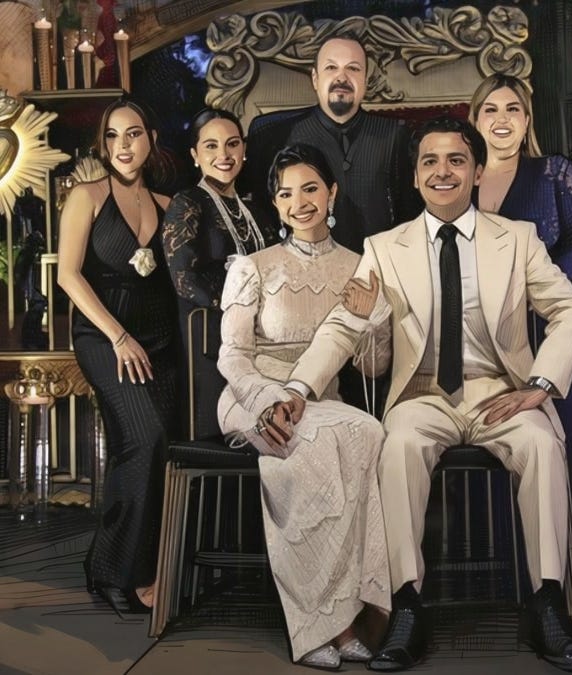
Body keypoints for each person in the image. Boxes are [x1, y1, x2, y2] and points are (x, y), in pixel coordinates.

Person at [285, 117, 572, 672]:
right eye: (429, 161)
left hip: (500, 392)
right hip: (422, 395)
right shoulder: (384, 248)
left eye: (456, 160)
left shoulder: (517, 238)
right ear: (415, 176)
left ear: (476, 172)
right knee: (397, 445)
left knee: (542, 444)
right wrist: (298, 389)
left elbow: (571, 310)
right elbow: (343, 326)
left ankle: (547, 603)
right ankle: (406, 606)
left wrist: (540, 385)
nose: (442, 171)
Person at [216, 143, 391, 670]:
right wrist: (268, 398)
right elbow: (231, 356)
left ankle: (351, 611)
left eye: (310, 188)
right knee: (312, 444)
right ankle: (321, 624)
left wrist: (372, 321)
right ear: (275, 203)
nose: (300, 203)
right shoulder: (253, 267)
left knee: (368, 432)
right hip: (252, 397)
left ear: (332, 192)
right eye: (286, 193)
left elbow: (373, 368)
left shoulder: (359, 267)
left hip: (323, 403)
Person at [468, 73, 572, 597]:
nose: (501, 120)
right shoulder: (459, 178)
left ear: (527, 120)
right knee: (493, 453)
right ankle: (506, 582)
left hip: (544, 334)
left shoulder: (552, 172)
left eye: (513, 109)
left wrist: (531, 293)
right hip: (479, 344)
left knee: (559, 454)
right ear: (474, 120)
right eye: (490, 110)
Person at [57, 96, 179, 615]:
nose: (122, 145)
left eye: (132, 134)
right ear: (102, 145)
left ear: (151, 139)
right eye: (112, 136)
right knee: (143, 438)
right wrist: (118, 336)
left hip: (162, 343)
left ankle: (127, 567)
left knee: (159, 445)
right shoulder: (85, 197)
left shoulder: (170, 206)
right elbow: (68, 275)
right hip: (104, 337)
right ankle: (119, 572)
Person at [245, 32, 420, 254]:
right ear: (315, 79)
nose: (341, 77)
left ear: (365, 80)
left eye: (353, 68)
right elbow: (260, 215)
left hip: (378, 266)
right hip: (300, 267)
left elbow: (410, 217)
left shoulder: (396, 134)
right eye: (331, 67)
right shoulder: (273, 133)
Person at [163, 107, 273, 439]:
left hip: (261, 339)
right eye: (211, 146)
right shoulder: (187, 203)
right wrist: (238, 311)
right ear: (195, 155)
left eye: (232, 144)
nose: (223, 155)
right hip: (210, 337)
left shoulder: (255, 208)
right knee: (217, 434)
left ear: (244, 149)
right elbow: (184, 280)